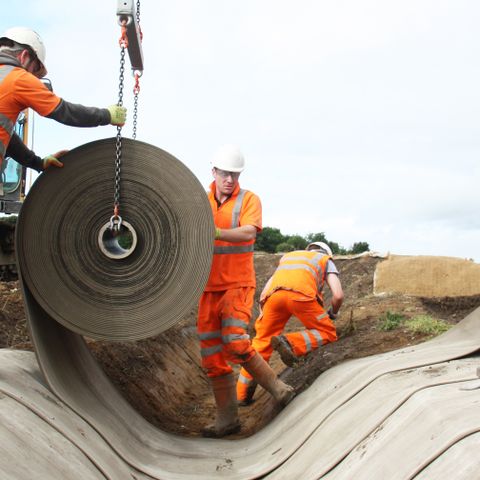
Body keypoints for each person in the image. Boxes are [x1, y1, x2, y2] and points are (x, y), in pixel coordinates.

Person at [197, 144, 295, 438]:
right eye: (225, 173)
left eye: (235, 174)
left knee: (236, 342)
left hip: (237, 284)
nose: (230, 179)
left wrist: (215, 232)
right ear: (214, 171)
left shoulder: (249, 199)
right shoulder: (200, 201)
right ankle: (227, 420)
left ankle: (280, 389)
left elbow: (249, 232)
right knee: (212, 355)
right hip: (207, 288)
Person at [0, 27, 126, 172]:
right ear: (24, 56)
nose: (33, 77)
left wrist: (37, 163)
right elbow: (64, 111)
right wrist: (107, 115)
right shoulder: (18, 78)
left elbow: (6, 136)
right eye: (35, 70)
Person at [237, 241, 344, 405]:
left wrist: (263, 312)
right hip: (301, 296)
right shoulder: (325, 260)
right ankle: (290, 343)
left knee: (260, 343)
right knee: (328, 332)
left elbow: (265, 291)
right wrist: (333, 313)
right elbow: (338, 296)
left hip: (273, 297)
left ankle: (241, 395)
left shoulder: (289, 258)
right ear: (327, 253)